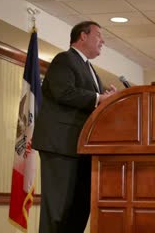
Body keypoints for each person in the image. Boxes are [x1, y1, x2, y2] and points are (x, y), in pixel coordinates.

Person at [32, 21, 117, 233]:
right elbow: (64, 92)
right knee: (59, 210)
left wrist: (109, 98)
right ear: (83, 36)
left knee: (79, 209)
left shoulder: (89, 68)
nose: (103, 41)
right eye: (98, 35)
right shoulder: (64, 59)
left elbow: (90, 100)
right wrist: (99, 97)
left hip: (82, 149)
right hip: (60, 146)